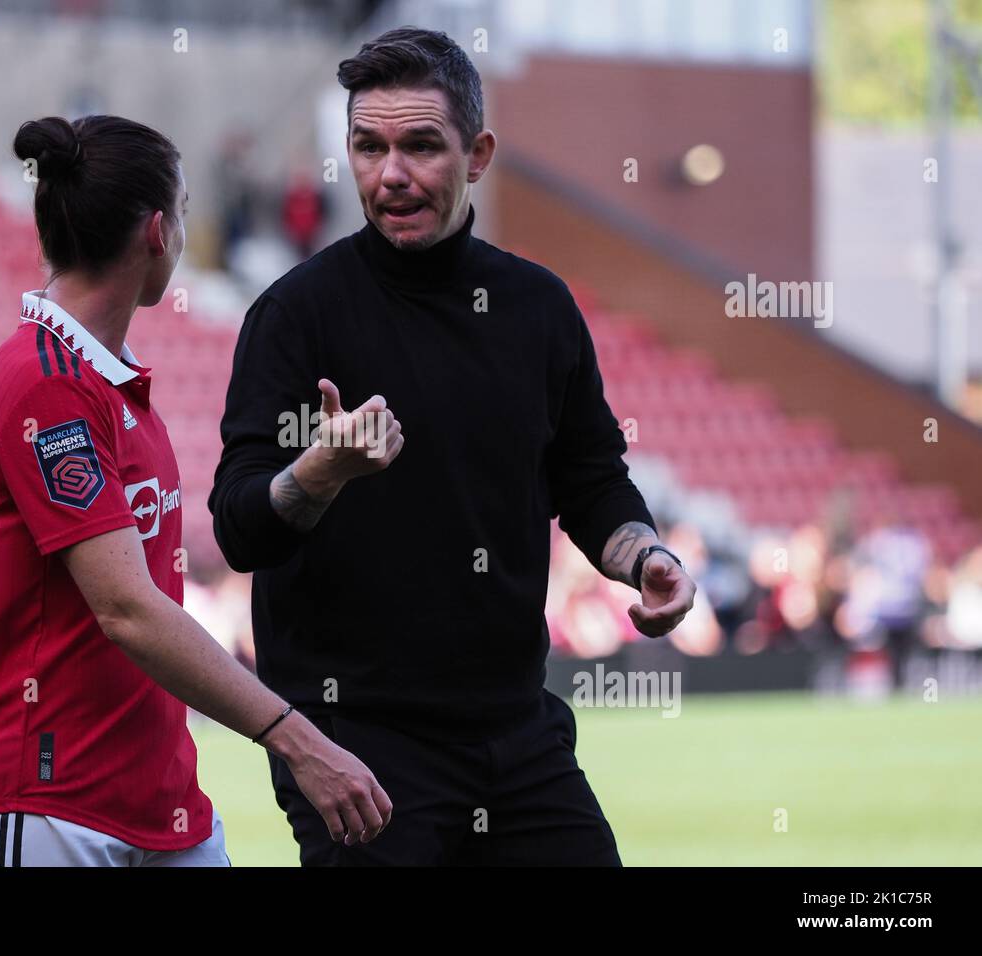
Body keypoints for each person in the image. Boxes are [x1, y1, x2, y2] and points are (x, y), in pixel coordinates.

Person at [209, 28, 697, 866]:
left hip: (517, 731)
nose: (390, 173)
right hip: (357, 746)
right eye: (368, 147)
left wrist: (642, 553)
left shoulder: (538, 309)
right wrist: (320, 471)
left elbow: (590, 479)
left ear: (477, 154)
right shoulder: (295, 316)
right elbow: (239, 528)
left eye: (420, 146)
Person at [0, 115, 391, 867]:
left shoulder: (107, 376)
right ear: (157, 231)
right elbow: (128, 609)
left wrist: (321, 470)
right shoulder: (45, 383)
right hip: (39, 807)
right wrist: (297, 738)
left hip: (161, 808)